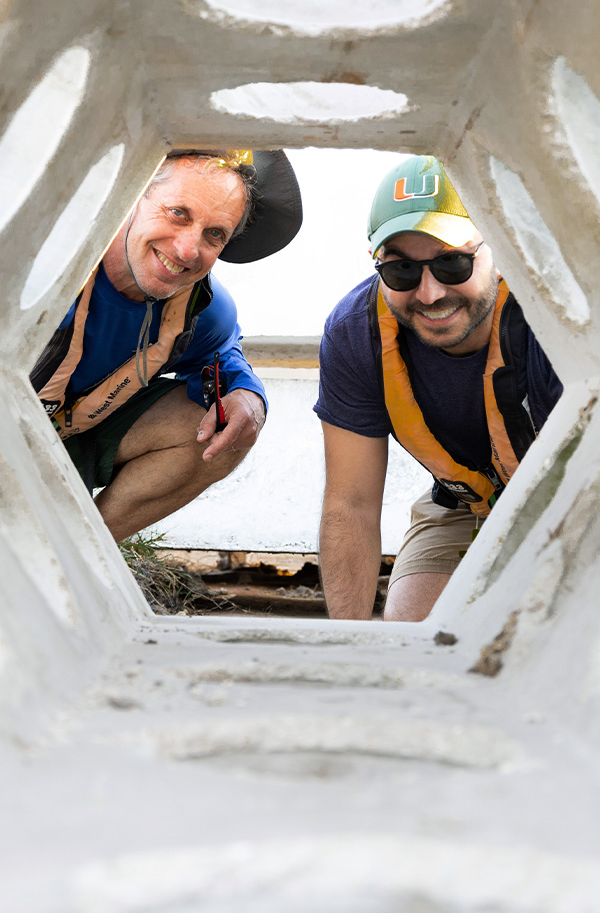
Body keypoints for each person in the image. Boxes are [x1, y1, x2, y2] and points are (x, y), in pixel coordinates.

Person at [315, 154, 562, 622]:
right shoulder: (355, 332)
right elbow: (352, 503)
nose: (429, 293)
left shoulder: (553, 322)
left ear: (500, 249)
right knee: (413, 642)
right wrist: (351, 648)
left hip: (572, 498)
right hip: (467, 503)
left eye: (453, 263)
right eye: (402, 271)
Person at [31, 148, 302, 542]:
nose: (188, 251)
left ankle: (72, 555)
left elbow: (223, 354)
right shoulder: (38, 262)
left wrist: (248, 395)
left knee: (218, 430)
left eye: (214, 234)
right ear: (131, 196)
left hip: (67, 435)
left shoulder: (202, 308)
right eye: (179, 213)